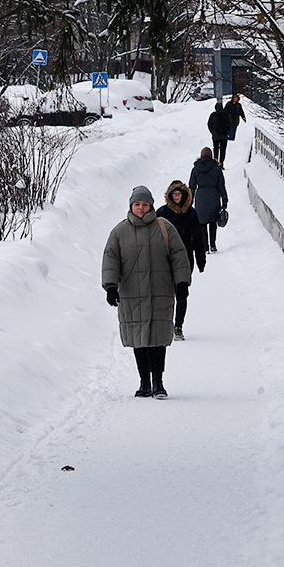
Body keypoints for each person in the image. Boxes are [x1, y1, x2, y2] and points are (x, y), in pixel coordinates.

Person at [103, 185, 191, 398]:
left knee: (158, 339)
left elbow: (179, 255)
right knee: (139, 339)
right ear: (131, 206)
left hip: (160, 292)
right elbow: (110, 259)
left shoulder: (164, 227)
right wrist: (111, 286)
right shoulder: (119, 232)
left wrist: (181, 283)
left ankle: (158, 383)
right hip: (131, 293)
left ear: (151, 205)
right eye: (137, 204)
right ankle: (144, 382)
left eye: (145, 204)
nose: (141, 208)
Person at [155, 181, 206, 341]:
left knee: (182, 293)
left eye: (179, 194)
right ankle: (166, 324)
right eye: (174, 194)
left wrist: (200, 259)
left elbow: (198, 237)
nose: (177, 197)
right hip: (165, 258)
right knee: (165, 294)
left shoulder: (191, 213)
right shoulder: (162, 213)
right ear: (170, 196)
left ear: (184, 195)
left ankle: (178, 326)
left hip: (185, 259)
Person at [190, 147, 228, 253]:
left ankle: (205, 247)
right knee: (212, 222)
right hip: (214, 196)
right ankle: (213, 245)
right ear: (211, 156)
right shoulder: (216, 168)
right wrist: (225, 200)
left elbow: (192, 186)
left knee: (202, 224)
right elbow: (221, 185)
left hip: (201, 197)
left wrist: (190, 200)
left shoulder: (195, 168)